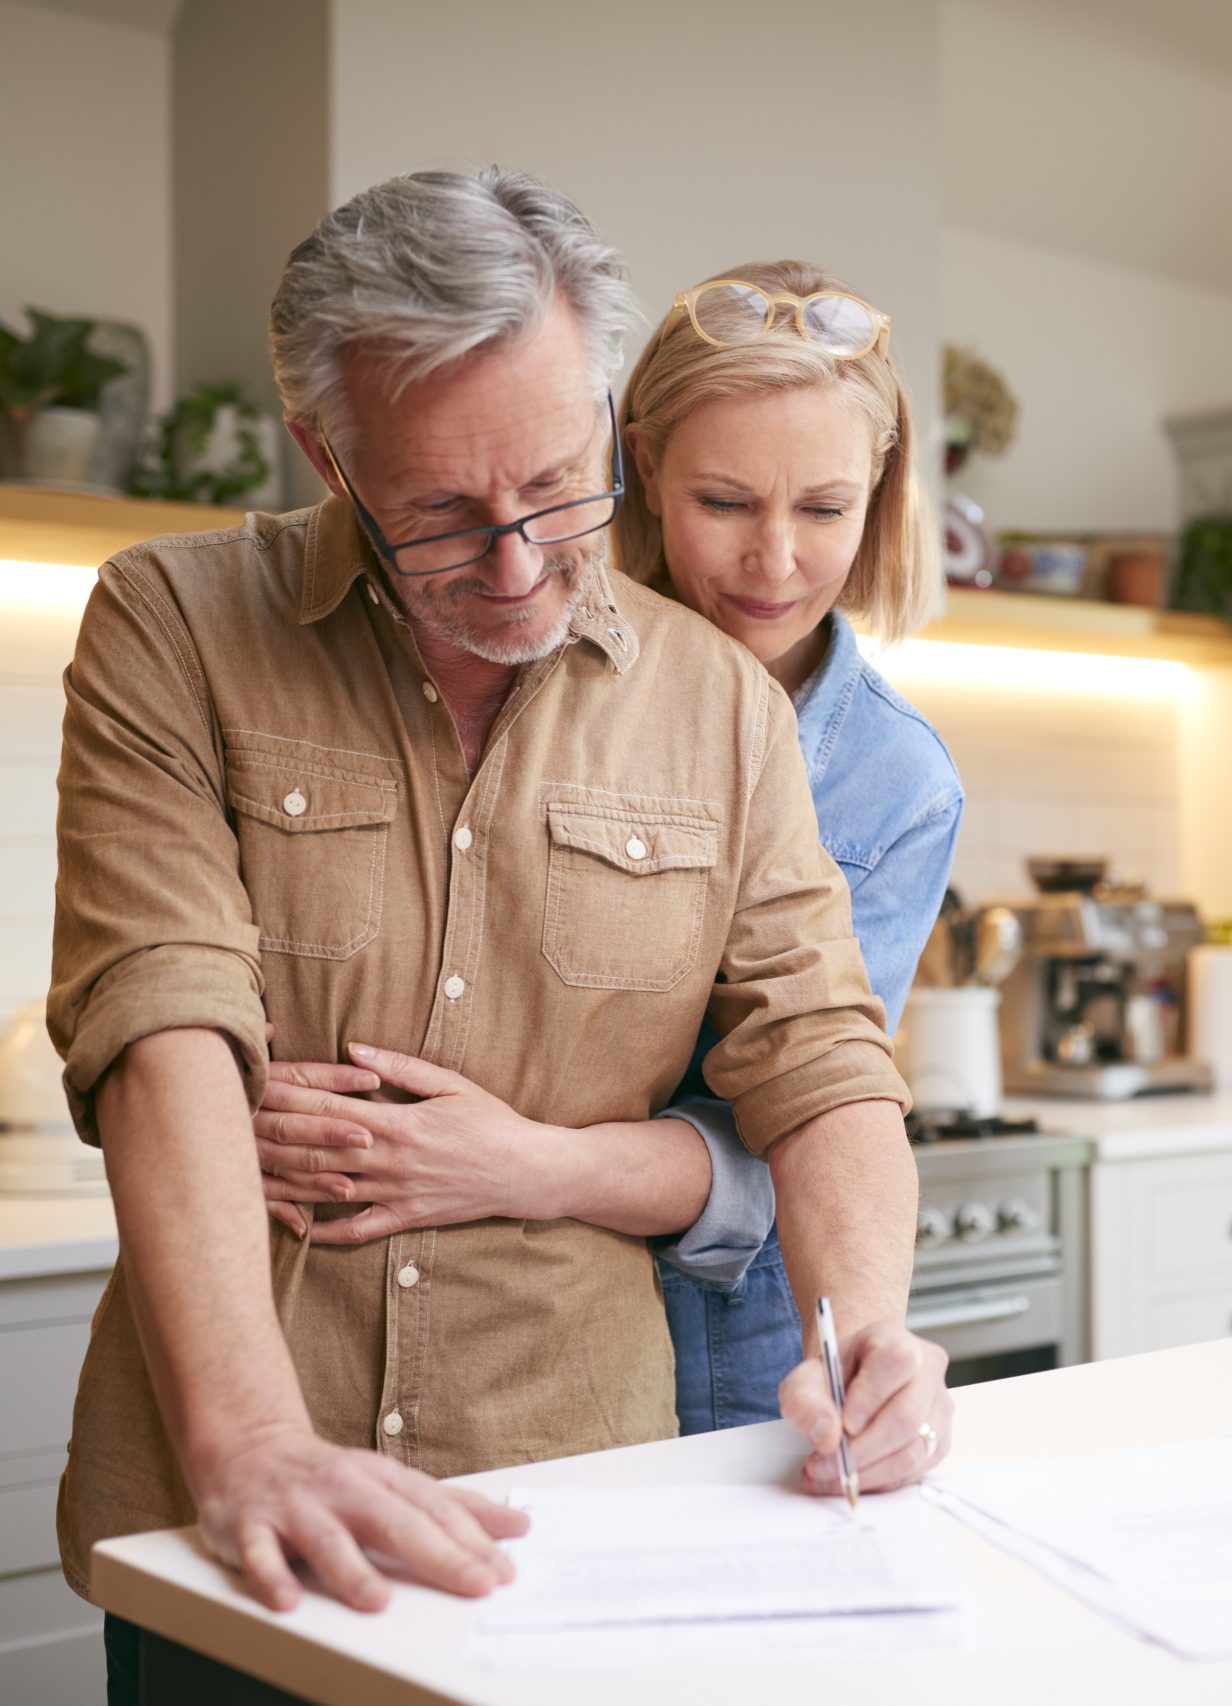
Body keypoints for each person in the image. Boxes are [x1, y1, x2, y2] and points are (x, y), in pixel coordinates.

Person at [47, 170, 951, 1683]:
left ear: (608, 420)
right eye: (445, 517)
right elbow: (161, 1014)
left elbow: (823, 1057)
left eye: (555, 486)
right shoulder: (174, 624)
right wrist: (254, 1436)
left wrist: (866, 1333)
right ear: (326, 450)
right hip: (233, 1500)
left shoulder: (722, 703)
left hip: (574, 1494)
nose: (522, 565)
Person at [257, 260, 963, 1436]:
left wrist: (523, 1159)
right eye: (725, 503)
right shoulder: (505, 638)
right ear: (629, 464)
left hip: (737, 1334)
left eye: (824, 508)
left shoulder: (894, 779)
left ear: (881, 495)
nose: (773, 560)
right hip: (456, 1324)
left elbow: (791, 1115)